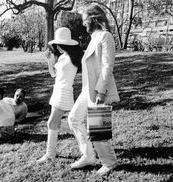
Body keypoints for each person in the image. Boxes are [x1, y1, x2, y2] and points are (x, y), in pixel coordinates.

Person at [67, 4, 120, 176]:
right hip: (87, 90)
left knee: (98, 128)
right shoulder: (94, 38)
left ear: (93, 19)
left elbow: (107, 66)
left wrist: (102, 91)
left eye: (84, 20)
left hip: (98, 90)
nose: (83, 24)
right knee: (74, 119)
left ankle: (109, 163)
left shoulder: (106, 36)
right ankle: (89, 155)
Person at [36, 27, 83, 163]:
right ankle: (84, 134)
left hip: (64, 92)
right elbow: (54, 75)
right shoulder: (63, 57)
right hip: (57, 91)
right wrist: (50, 60)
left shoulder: (73, 59)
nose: (56, 47)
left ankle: (50, 154)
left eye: (58, 44)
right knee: (60, 123)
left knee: (51, 123)